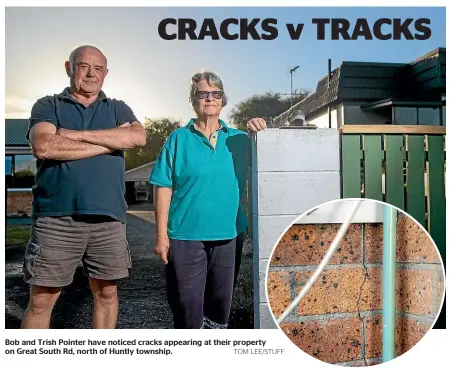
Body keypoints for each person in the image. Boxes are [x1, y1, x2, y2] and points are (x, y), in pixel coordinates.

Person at [21, 45, 146, 329]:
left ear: (106, 74)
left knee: (106, 293)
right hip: (56, 218)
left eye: (98, 68)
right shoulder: (48, 105)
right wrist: (110, 142)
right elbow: (44, 146)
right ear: (69, 68)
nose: (91, 74)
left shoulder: (116, 107)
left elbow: (137, 137)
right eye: (83, 66)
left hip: (108, 218)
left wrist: (76, 136)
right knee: (42, 298)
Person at [149, 71, 266, 329]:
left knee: (219, 310)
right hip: (185, 236)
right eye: (203, 93)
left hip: (229, 234)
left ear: (223, 100)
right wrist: (161, 236)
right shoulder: (178, 138)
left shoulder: (239, 139)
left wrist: (259, 128)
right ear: (194, 101)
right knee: (186, 308)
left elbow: (270, 158)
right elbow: (163, 186)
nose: (209, 98)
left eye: (216, 94)